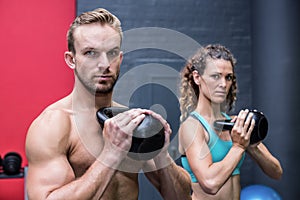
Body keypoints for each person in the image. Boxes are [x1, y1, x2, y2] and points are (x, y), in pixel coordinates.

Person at [25, 8, 191, 200]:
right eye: (91, 53)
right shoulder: (54, 125)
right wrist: (110, 155)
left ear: (120, 59)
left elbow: (182, 197)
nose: (104, 64)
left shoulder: (130, 122)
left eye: (111, 53)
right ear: (72, 60)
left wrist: (162, 156)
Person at [178, 44, 283, 200]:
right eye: (215, 76)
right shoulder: (193, 127)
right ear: (197, 77)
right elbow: (210, 183)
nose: (223, 84)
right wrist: (239, 146)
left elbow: (276, 172)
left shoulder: (235, 124)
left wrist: (252, 146)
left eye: (228, 77)